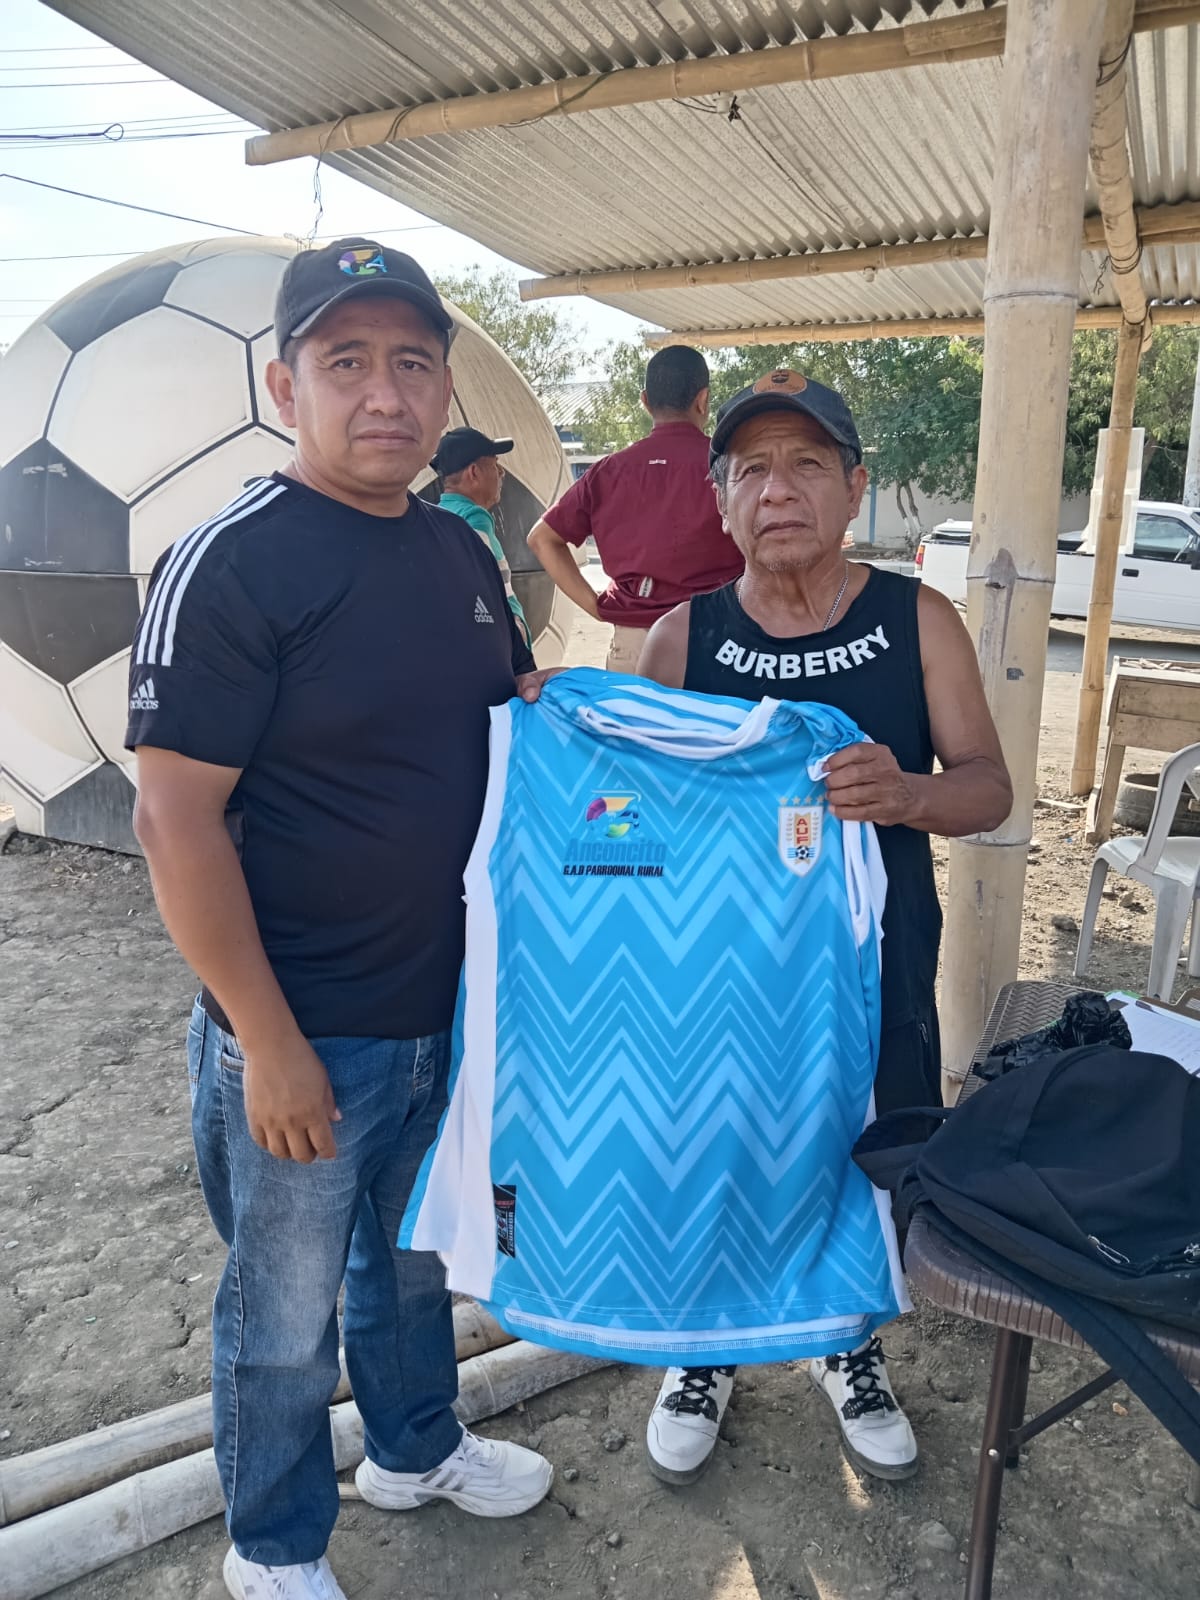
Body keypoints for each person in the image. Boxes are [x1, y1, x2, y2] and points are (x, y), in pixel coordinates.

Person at [126, 238, 554, 1600]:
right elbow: (173, 819)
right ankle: (274, 1546)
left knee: (416, 1268)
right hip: (306, 1028)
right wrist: (268, 1043)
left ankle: (416, 1449)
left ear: (443, 389)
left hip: (444, 1016)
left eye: (412, 363)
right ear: (285, 385)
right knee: (281, 1316)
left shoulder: (459, 551)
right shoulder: (233, 563)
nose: (386, 393)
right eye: (347, 361)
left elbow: (506, 719)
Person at [636, 367, 1013, 1488]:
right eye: (751, 467)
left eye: (808, 463)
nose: (778, 489)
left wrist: (908, 794)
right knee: (715, 1141)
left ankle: (845, 1341)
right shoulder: (679, 639)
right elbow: (635, 821)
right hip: (722, 971)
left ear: (855, 487)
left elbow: (988, 788)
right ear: (720, 498)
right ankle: (706, 1348)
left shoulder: (917, 620)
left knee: (866, 1149)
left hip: (877, 963)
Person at [527, 344, 743, 671]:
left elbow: (541, 539)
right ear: (703, 400)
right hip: (718, 640)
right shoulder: (731, 468)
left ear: (645, 401)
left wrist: (596, 607)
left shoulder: (607, 472)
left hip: (635, 645)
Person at [432, 425, 532, 647]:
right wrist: (514, 635)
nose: (501, 473)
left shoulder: (438, 514)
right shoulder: (474, 517)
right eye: (495, 465)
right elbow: (481, 589)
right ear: (474, 473)